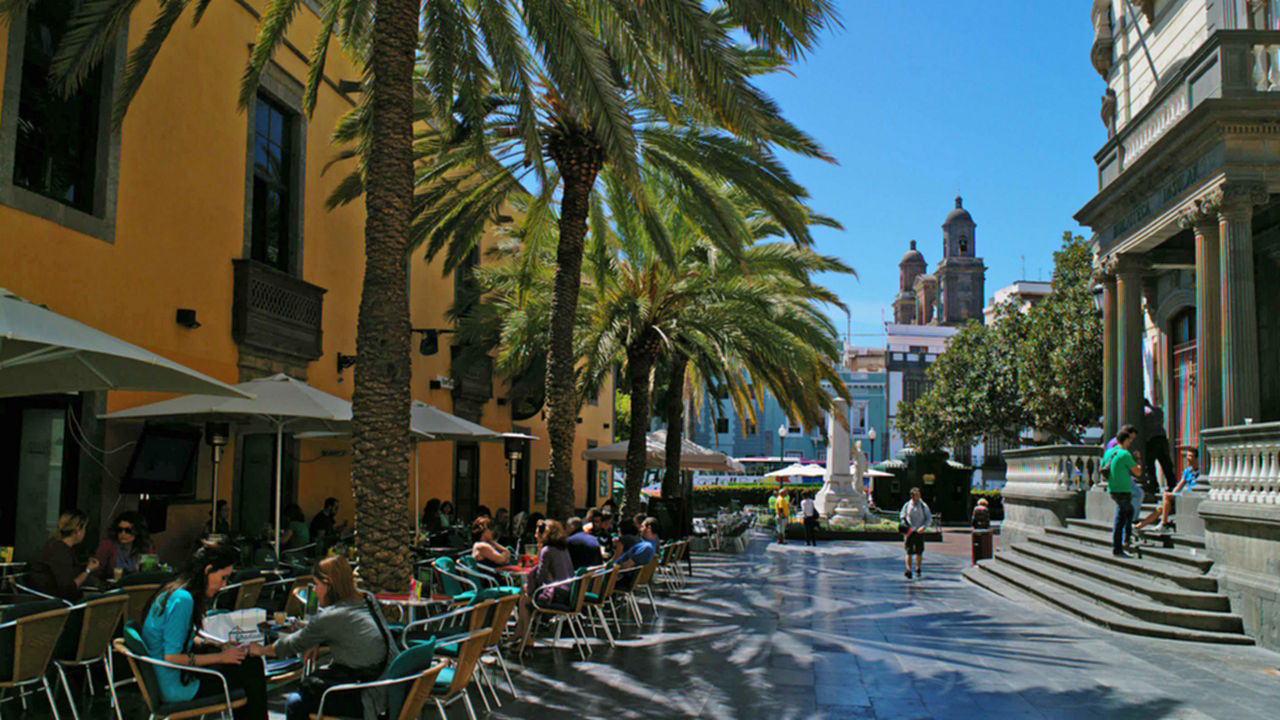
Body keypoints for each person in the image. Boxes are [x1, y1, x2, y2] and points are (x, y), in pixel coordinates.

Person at [250, 556, 397, 720]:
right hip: (390, 687)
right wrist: (317, 638)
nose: (313, 590)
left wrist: (260, 650)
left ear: (329, 585)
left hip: (367, 696)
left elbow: (291, 644)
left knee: (295, 702)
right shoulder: (367, 599)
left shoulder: (330, 617)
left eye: (316, 585)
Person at [141, 540, 268, 720]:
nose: (224, 585)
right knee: (251, 667)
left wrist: (219, 646)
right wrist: (221, 657)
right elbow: (172, 657)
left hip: (170, 678)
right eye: (223, 577)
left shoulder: (174, 591)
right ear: (208, 570)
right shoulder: (183, 600)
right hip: (177, 687)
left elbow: (180, 639)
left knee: (243, 664)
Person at [513, 519, 574, 644]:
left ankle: (525, 638)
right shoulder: (562, 548)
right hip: (568, 592)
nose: (535, 536)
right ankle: (519, 633)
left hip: (557, 595)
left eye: (537, 533)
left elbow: (540, 577)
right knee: (525, 594)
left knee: (525, 600)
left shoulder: (547, 550)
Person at [27, 510, 100, 600]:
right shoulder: (60, 552)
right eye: (84, 528)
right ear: (77, 530)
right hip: (53, 603)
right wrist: (88, 571)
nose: (85, 532)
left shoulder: (57, 546)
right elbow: (68, 589)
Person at [1102, 425, 1143, 558]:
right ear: (1125, 440)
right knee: (1120, 518)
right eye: (1130, 441)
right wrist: (1138, 460)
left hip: (1113, 489)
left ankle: (1126, 538)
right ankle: (1118, 547)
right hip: (1123, 490)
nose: (1130, 443)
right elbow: (1137, 472)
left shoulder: (1109, 452)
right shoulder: (1125, 454)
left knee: (1128, 511)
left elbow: (1102, 467)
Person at [1136, 448, 1200, 533]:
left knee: (1166, 496)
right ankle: (1138, 527)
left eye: (1190, 456)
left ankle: (1163, 524)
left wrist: (1169, 496)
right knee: (1160, 508)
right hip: (1184, 497)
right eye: (1186, 456)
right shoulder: (1187, 471)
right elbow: (1180, 485)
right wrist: (1172, 496)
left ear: (1197, 458)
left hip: (1194, 497)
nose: (1187, 458)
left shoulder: (1201, 471)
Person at [94, 510, 155, 581]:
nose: (123, 534)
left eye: (128, 531)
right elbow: (96, 571)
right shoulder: (107, 546)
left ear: (137, 531)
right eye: (120, 530)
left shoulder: (145, 547)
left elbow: (149, 574)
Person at [1143, 399, 1177, 494]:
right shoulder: (1158, 410)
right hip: (1162, 438)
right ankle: (1172, 484)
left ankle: (1154, 485)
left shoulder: (1143, 412)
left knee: (1150, 465)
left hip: (1150, 440)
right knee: (1166, 464)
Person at [899, 487, 932, 579]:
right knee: (908, 551)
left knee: (919, 552)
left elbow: (929, 518)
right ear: (912, 496)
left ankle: (918, 568)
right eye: (916, 495)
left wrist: (924, 527)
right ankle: (908, 570)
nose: (918, 496)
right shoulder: (907, 505)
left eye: (919, 494)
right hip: (909, 531)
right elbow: (902, 515)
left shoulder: (923, 506)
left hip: (919, 531)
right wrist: (904, 524)